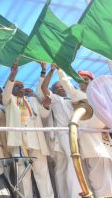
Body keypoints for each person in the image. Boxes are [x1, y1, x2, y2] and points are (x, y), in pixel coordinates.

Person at [58, 68, 112, 197]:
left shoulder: (101, 99)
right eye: (80, 81)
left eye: (86, 80)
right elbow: (66, 83)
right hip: (93, 147)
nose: (83, 83)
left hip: (108, 147)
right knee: (102, 186)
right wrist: (60, 68)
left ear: (92, 82)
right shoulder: (79, 96)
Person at [3, 62, 54, 198]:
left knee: (43, 177)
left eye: (22, 86)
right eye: (17, 86)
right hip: (20, 144)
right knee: (23, 180)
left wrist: (46, 106)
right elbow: (6, 92)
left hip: (36, 144)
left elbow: (43, 114)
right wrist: (12, 76)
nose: (20, 88)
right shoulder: (9, 101)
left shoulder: (32, 101)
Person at [40, 64, 80, 198]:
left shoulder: (73, 99)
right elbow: (44, 87)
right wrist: (52, 70)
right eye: (56, 88)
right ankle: (75, 194)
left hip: (77, 133)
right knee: (72, 160)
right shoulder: (55, 99)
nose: (60, 88)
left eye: (61, 86)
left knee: (72, 163)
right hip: (63, 134)